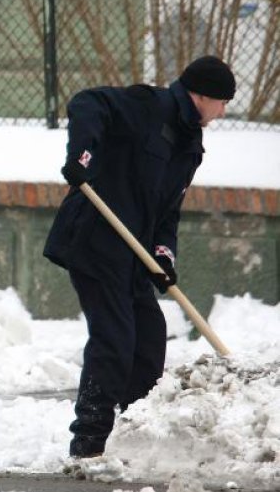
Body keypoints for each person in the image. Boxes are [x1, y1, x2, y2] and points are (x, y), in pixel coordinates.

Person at [43, 55, 235, 458]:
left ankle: (134, 432)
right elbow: (87, 103)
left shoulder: (190, 146)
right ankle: (89, 440)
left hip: (133, 252)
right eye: (223, 102)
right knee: (114, 339)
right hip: (96, 237)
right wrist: (83, 155)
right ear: (203, 96)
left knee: (148, 344)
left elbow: (168, 212)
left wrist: (164, 256)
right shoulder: (149, 105)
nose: (224, 111)